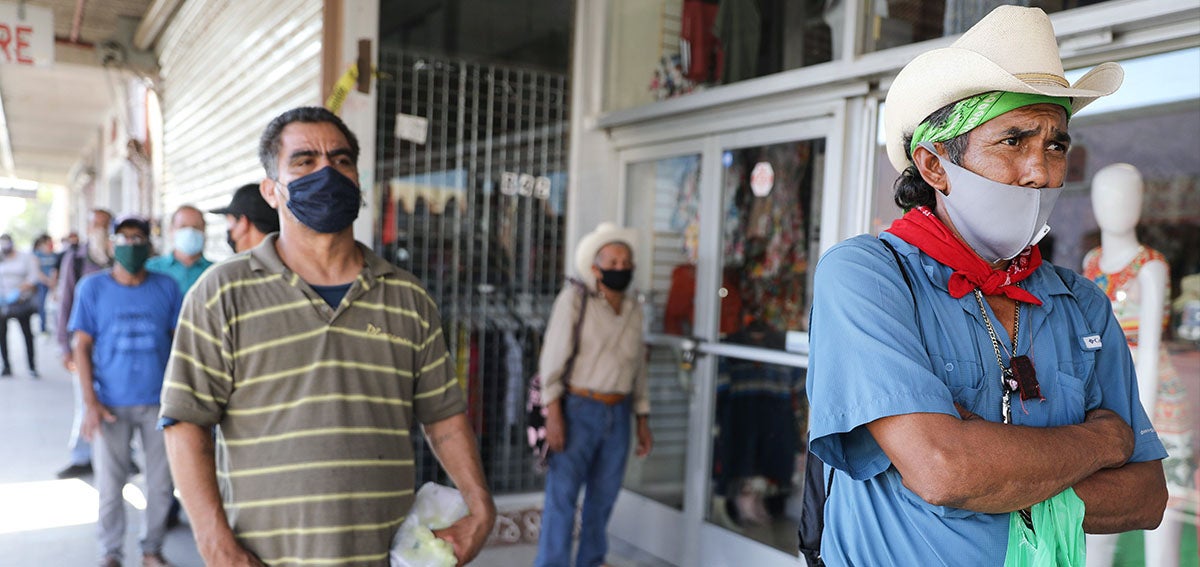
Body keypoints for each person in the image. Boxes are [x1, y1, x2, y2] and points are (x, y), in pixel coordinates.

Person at [805, 6, 1168, 565]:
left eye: (1056, 145)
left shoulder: (1081, 303)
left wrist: (996, 470)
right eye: (1014, 141)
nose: (1041, 172)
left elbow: (1146, 498)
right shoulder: (868, 276)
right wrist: (1102, 443)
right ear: (934, 165)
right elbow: (945, 470)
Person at [160, 106, 495, 566]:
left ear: (357, 180)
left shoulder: (407, 297)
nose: (326, 172)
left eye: (340, 160)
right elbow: (184, 422)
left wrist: (481, 507)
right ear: (270, 190)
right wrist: (217, 547)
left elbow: (444, 418)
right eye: (304, 161)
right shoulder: (221, 292)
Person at [1082, 163, 1192, 567]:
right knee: (1098, 511)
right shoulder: (1092, 263)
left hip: (1151, 395)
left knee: (1158, 516)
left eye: (1125, 196)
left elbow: (1147, 347)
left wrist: (1138, 421)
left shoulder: (1152, 267)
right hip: (1106, 393)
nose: (1115, 206)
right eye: (1106, 197)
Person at [535, 222, 654, 567]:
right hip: (577, 410)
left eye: (625, 262)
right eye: (612, 262)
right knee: (563, 497)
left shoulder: (634, 308)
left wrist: (642, 420)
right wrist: (553, 413)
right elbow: (552, 360)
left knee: (603, 497)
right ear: (595, 268)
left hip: (619, 414)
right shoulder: (575, 300)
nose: (620, 268)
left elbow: (638, 370)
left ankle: (592, 560)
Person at [68, 215, 182, 567]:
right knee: (109, 487)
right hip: (109, 405)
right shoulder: (92, 288)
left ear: (149, 246)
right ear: (112, 243)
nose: (130, 245)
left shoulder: (167, 288)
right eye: (124, 238)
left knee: (161, 485)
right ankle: (111, 553)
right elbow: (81, 347)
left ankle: (152, 550)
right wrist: (90, 403)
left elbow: (181, 344)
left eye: (138, 239)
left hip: (159, 404)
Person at [55, 209, 114, 479]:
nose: (100, 230)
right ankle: (82, 456)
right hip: (83, 345)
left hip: (115, 347)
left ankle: (121, 454)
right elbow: (64, 303)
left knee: (117, 401)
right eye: (96, 225)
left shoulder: (119, 256)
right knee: (84, 399)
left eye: (105, 225)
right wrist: (64, 347)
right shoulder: (76, 260)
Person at [145, 205, 213, 295]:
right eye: (183, 226)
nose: (190, 232)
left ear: (204, 231)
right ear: (171, 230)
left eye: (196, 227)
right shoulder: (150, 269)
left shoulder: (215, 272)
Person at [0, 233, 40, 378]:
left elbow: (34, 277)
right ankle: (6, 366)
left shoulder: (25, 257)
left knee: (27, 334)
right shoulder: (1, 258)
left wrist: (19, 290)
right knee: (2, 336)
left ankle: (32, 367)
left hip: (21, 302)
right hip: (3, 303)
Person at [210, 182, 280, 253]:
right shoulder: (287, 258)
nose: (228, 231)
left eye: (229, 222)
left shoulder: (242, 263)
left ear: (243, 222)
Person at [33, 234, 58, 334]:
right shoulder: (37, 255)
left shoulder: (54, 255)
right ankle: (43, 328)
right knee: (42, 306)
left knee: (55, 306)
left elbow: (55, 269)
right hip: (42, 283)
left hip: (53, 283)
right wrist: (47, 281)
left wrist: (52, 282)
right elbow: (37, 271)